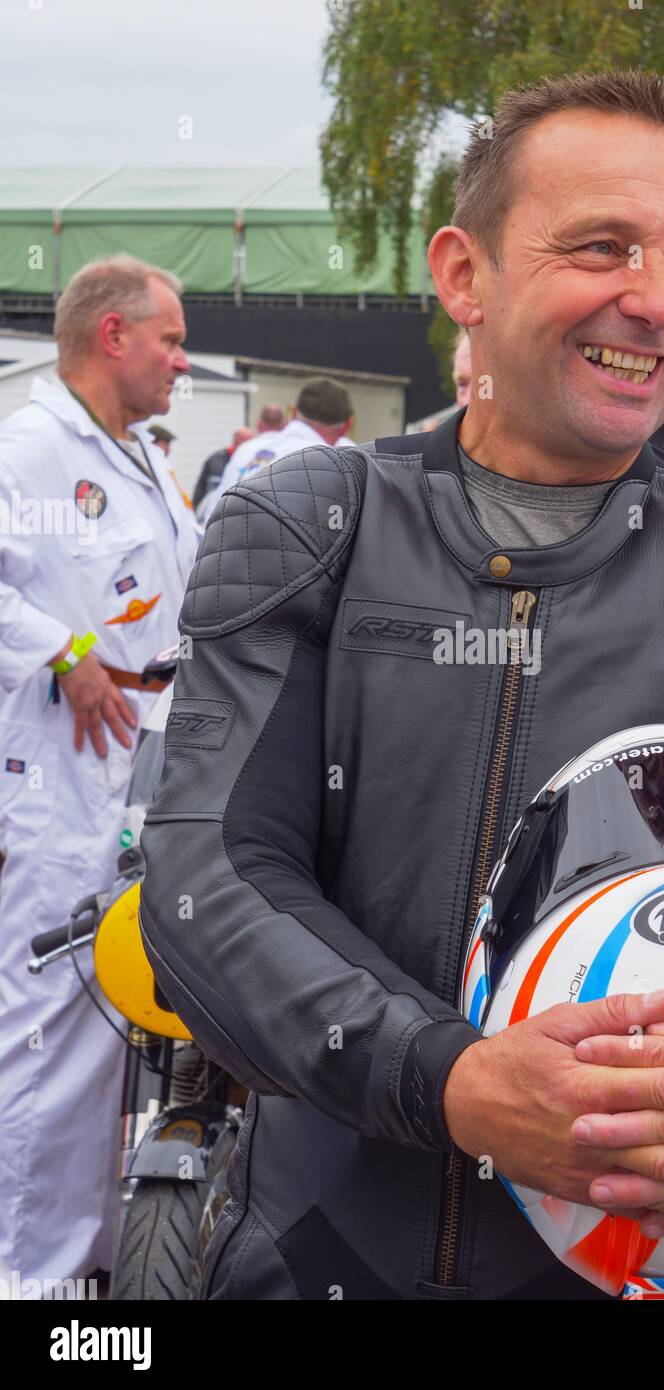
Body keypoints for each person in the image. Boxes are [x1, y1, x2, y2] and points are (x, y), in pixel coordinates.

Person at [141, 70, 664, 1302]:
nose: (654, 300)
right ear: (464, 274)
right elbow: (206, 878)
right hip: (316, 1260)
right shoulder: (312, 521)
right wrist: (456, 1082)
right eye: (603, 247)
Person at [0, 254, 201, 1293]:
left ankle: (96, 1256)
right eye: (168, 339)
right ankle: (30, 1275)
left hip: (141, 756)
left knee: (117, 1014)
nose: (182, 359)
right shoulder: (32, 448)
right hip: (62, 772)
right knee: (53, 1025)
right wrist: (62, 653)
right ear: (111, 336)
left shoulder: (139, 457)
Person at [205, 378, 355, 516]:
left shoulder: (246, 450)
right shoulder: (340, 462)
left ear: (294, 412)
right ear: (347, 425)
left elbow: (211, 515)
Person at [192, 426, 256, 512]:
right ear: (237, 441)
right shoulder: (215, 459)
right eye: (249, 442)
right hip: (214, 510)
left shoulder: (254, 462)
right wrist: (194, 510)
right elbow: (200, 488)